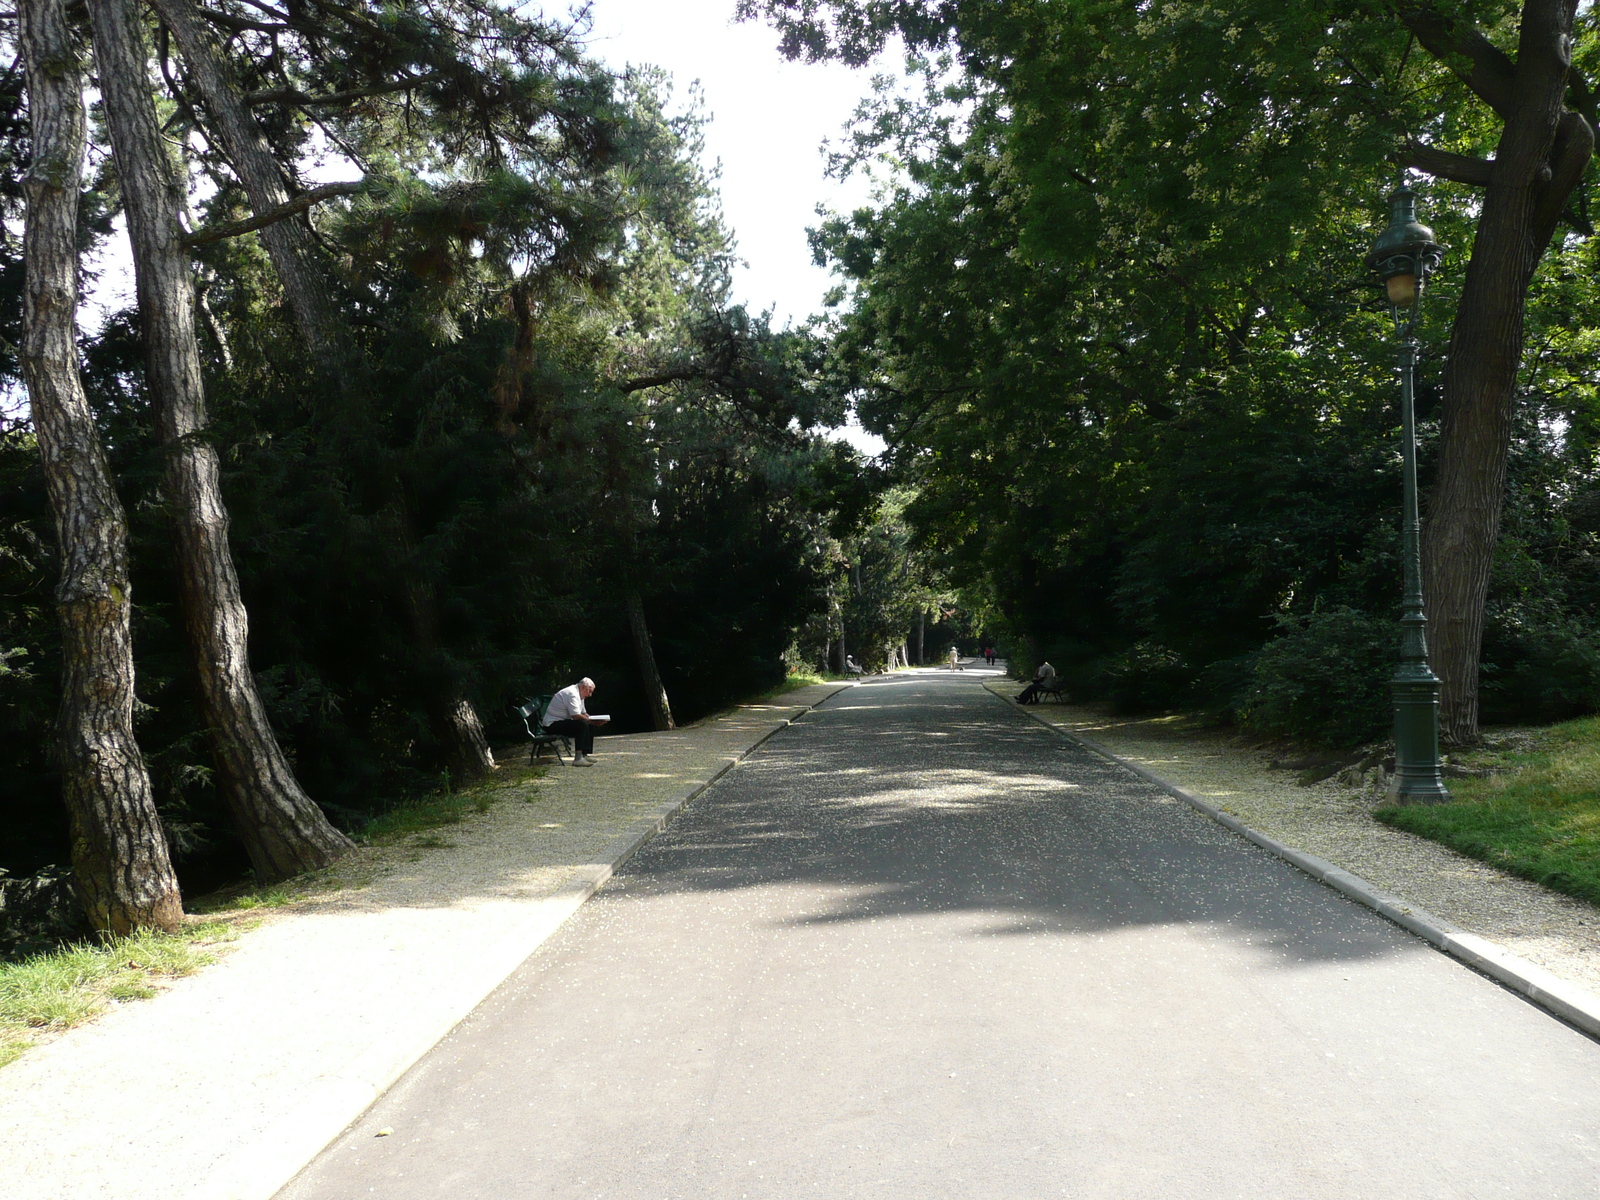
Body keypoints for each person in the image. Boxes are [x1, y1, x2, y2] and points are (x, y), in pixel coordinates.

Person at [543, 677, 606, 766]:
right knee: (581, 724)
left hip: (561, 721)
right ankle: (578, 758)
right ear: (583, 687)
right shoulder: (572, 694)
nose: (590, 695)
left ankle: (584, 754)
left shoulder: (580, 694)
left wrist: (593, 719)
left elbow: (583, 713)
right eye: (589, 691)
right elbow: (576, 716)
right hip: (551, 724)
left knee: (587, 722)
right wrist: (591, 721)